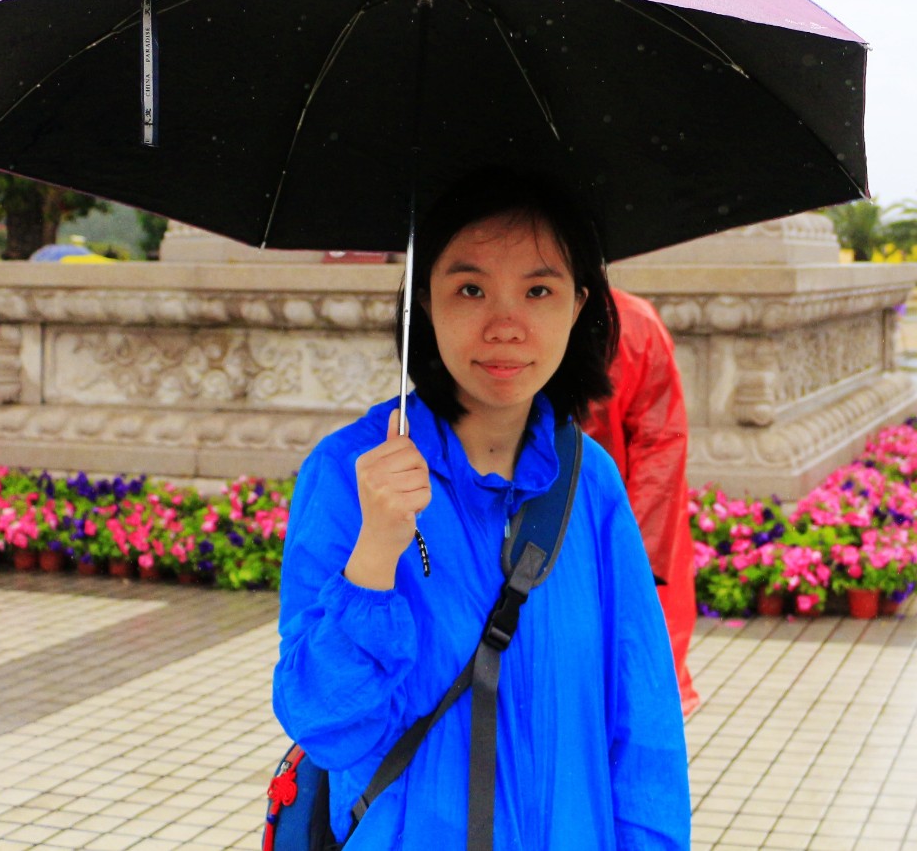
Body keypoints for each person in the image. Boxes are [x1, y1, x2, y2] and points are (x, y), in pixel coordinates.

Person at [272, 172, 690, 849]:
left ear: (579, 304)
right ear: (426, 306)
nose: (505, 324)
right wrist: (375, 551)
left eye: (538, 290)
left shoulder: (593, 486)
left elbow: (643, 733)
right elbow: (327, 724)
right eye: (470, 288)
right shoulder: (347, 472)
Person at [581, 289, 700, 714]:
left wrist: (631, 548)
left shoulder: (631, 324)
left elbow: (659, 446)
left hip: (611, 517)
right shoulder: (635, 320)